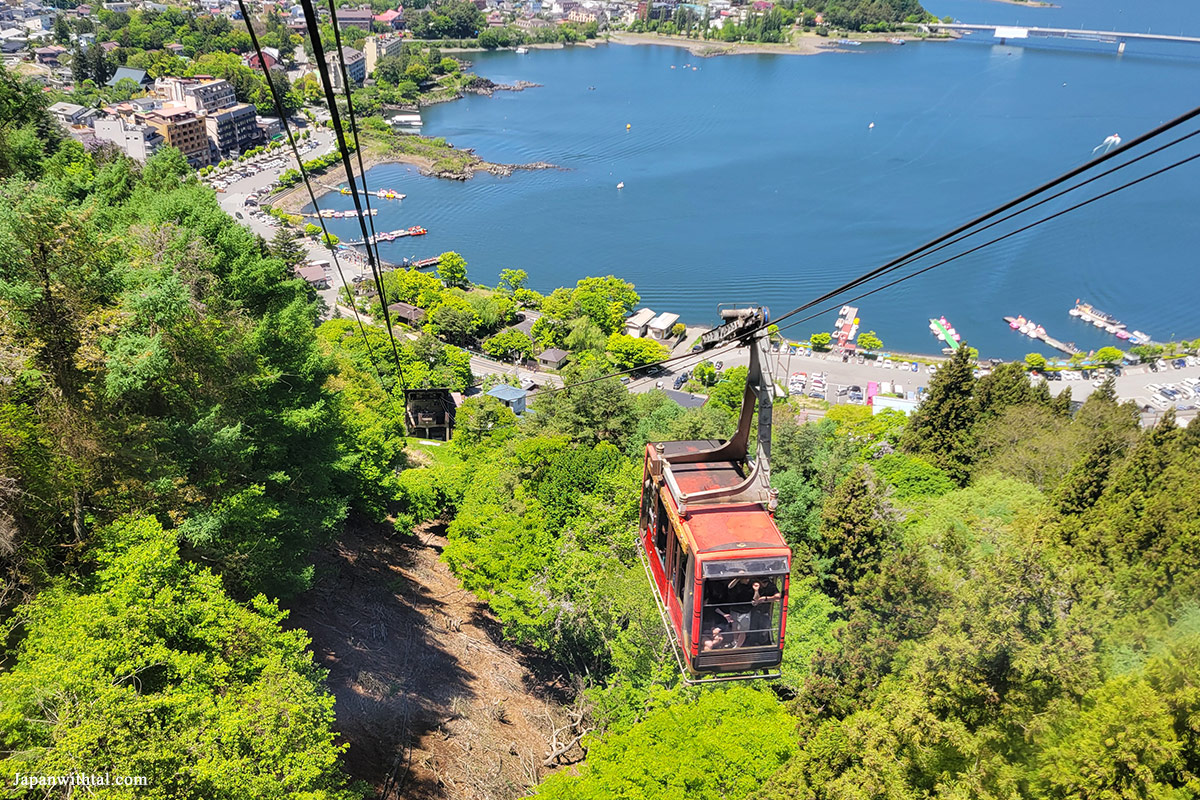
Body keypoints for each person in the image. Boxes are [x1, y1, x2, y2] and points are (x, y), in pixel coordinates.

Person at [748, 578, 782, 646]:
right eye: (763, 582)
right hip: (755, 611)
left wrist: (766, 599)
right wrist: (756, 590)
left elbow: (778, 597)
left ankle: (763, 644)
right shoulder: (755, 585)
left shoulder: (771, 586)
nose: (764, 584)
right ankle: (753, 644)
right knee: (753, 629)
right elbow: (755, 600)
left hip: (765, 611)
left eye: (766, 582)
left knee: (764, 630)